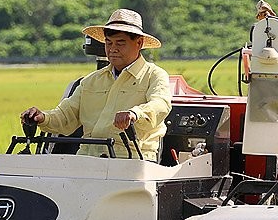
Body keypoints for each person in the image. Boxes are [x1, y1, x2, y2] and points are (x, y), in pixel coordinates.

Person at [21, 8, 171, 161]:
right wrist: (42, 117)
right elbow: (67, 115)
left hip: (132, 162)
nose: (113, 49)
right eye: (108, 43)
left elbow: (160, 105)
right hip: (87, 160)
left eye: (120, 43)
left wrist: (134, 114)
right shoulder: (91, 81)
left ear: (138, 43)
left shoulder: (154, 75)